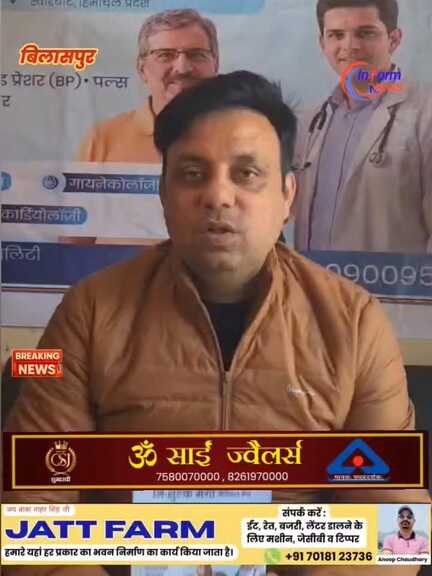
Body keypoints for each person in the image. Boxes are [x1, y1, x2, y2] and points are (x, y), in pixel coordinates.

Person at [4, 71, 430, 576]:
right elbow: (27, 519)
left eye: (246, 174)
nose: (218, 196)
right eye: (192, 174)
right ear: (163, 194)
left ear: (288, 196)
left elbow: (399, 532)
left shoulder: (354, 322)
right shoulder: (90, 312)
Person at [294, 0, 432, 253]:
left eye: (365, 33)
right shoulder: (310, 123)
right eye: (336, 35)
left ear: (394, 40)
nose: (350, 46)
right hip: (312, 277)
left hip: (394, 280)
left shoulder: (425, 114)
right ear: (322, 43)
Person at [75, 9, 219, 163]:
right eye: (165, 55)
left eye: (197, 54)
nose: (182, 68)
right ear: (142, 69)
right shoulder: (102, 140)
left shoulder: (237, 134)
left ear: (216, 65)